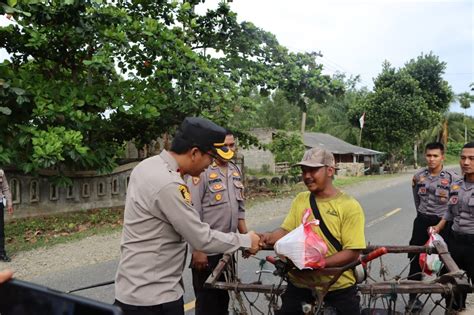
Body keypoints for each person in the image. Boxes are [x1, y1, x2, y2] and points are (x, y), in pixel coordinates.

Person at [114, 117, 260, 315]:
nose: (209, 165)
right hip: (155, 299)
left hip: (131, 291)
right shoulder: (169, 184)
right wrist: (245, 241)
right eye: (210, 158)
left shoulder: (147, 166)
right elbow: (201, 237)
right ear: (194, 153)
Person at [259, 148, 366, 315]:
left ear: (330, 171)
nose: (307, 175)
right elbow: (286, 230)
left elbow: (352, 252)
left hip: (337, 287)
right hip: (300, 286)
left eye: (313, 170)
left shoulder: (349, 206)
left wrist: (320, 263)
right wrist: (268, 237)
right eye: (304, 170)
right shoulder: (301, 199)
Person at [187, 130, 247, 315]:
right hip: (207, 249)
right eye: (224, 146)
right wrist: (197, 249)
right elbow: (192, 212)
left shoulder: (235, 171)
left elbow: (240, 211)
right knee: (207, 302)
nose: (229, 149)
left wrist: (246, 240)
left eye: (232, 145)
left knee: (223, 299)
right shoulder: (202, 171)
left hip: (227, 247)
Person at [407, 142, 459, 311]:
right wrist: (423, 218)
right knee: (415, 259)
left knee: (446, 260)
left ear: (442, 157)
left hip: (444, 224)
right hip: (422, 222)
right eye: (429, 155)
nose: (431, 159)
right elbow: (417, 199)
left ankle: (449, 300)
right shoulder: (418, 176)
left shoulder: (453, 178)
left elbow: (454, 205)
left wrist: (442, 223)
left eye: (435, 156)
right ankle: (413, 298)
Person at [431, 141, 474, 311]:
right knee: (451, 284)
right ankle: (455, 310)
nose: (466, 162)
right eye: (463, 158)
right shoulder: (456, 184)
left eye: (472, 158)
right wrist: (438, 227)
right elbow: (450, 210)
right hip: (455, 242)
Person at [0, 169, 13, 262]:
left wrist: (9, 202)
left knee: (0, 230)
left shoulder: (0, 172)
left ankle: (2, 253)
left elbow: (5, 188)